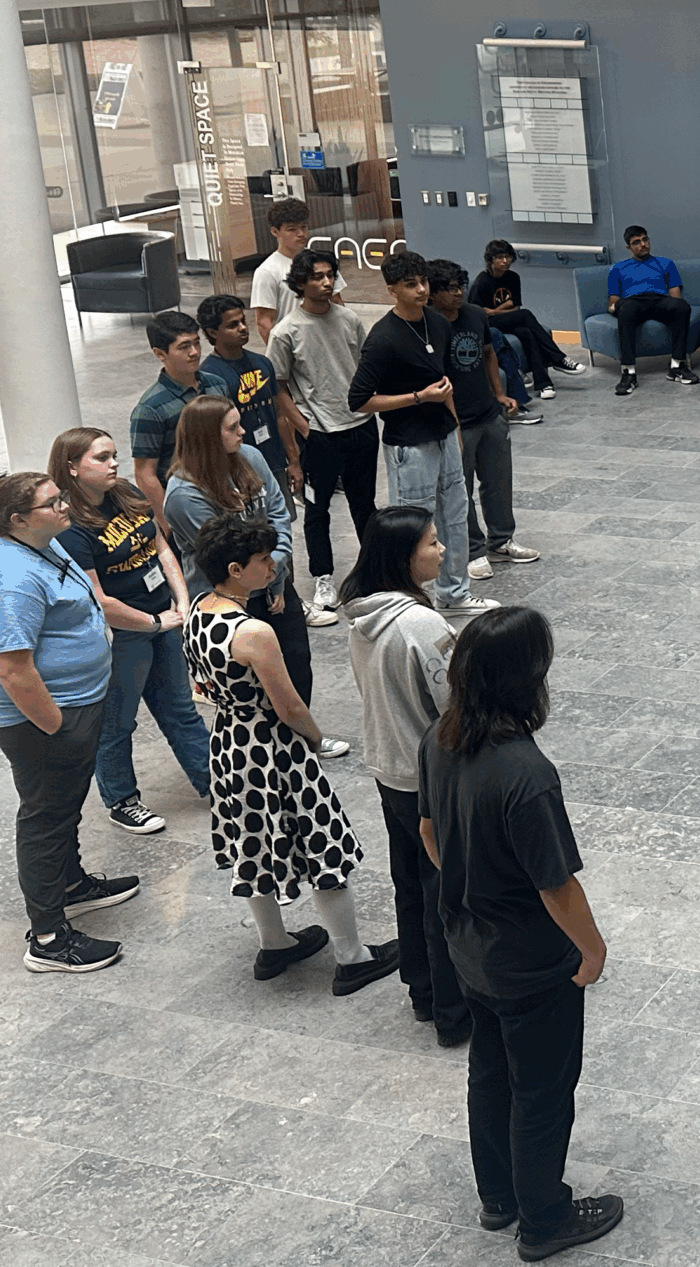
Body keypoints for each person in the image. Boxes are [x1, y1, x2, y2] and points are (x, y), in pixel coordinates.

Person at [418, 608, 623, 1260]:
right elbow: (556, 887)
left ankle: (499, 1196)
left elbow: (428, 834)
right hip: (531, 964)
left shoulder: (437, 740)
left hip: (468, 949)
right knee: (541, 1091)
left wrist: (472, 882)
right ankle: (544, 1220)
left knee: (489, 1070)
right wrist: (592, 951)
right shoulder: (527, 777)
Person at [184, 510, 400, 992]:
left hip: (229, 743)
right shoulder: (253, 633)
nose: (272, 567)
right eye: (263, 560)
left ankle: (274, 942)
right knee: (319, 840)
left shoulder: (199, 611)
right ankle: (352, 955)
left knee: (251, 843)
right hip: (273, 747)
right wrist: (318, 738)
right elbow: (289, 705)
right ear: (236, 569)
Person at [0, 471, 137, 974]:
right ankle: (49, 937)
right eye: (52, 503)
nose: (64, 508)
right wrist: (56, 725)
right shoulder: (7, 580)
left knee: (62, 805)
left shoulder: (41, 545)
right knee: (45, 817)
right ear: (17, 519)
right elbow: (13, 669)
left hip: (74, 704)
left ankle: (71, 884)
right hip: (43, 719)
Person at [341, 505, 472, 1045]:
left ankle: (421, 989)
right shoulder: (421, 623)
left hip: (389, 768)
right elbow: (456, 702)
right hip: (432, 777)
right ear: (403, 556)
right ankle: (453, 1009)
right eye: (432, 543)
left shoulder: (362, 617)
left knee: (410, 885)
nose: (441, 551)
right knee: (448, 891)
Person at [163, 395, 354, 757]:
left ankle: (300, 738)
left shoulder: (249, 457)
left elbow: (279, 513)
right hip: (231, 600)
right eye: (232, 428)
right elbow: (228, 555)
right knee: (251, 681)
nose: (243, 431)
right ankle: (272, 748)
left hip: (272, 582)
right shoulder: (184, 495)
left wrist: (276, 572)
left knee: (295, 659)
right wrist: (272, 574)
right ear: (206, 437)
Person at [49, 426, 210, 835]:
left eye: (114, 454)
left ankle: (217, 785)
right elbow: (98, 600)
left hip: (164, 619)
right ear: (72, 467)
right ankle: (122, 800)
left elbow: (160, 548)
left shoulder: (124, 495)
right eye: (101, 458)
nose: (113, 463)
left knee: (180, 709)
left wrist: (181, 599)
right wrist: (154, 622)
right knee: (117, 723)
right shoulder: (71, 528)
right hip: (124, 634)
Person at [349, 248, 484, 619]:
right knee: (415, 526)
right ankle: (411, 598)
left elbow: (444, 382)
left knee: (456, 514)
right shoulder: (383, 338)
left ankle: (454, 594)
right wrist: (417, 398)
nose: (421, 290)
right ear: (392, 290)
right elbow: (359, 400)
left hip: (442, 434)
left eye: (423, 282)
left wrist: (454, 424)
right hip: (409, 444)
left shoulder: (437, 323)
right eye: (411, 285)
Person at [267, 247, 377, 624]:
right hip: (321, 435)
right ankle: (323, 578)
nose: (326, 282)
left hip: (361, 427)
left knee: (366, 506)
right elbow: (277, 386)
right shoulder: (286, 331)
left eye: (330, 274)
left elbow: (364, 367)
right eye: (317, 276)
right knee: (318, 510)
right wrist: (303, 426)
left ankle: (373, 573)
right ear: (301, 282)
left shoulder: (348, 319)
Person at [430, 260, 540, 584]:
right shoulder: (428, 324)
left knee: (499, 481)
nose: (457, 293)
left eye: (460, 286)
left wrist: (499, 393)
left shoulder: (475, 314)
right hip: (455, 423)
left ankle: (501, 540)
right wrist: (451, 424)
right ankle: (473, 551)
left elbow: (489, 353)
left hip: (488, 413)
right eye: (449, 288)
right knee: (459, 491)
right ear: (434, 293)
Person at [198, 293, 297, 511]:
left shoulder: (262, 363)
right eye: (233, 325)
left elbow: (279, 414)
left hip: (274, 460)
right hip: (239, 469)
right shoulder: (209, 376)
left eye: (243, 321)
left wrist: (293, 459)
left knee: (281, 521)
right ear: (213, 332)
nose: (243, 328)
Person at [470, 241, 585, 400]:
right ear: (490, 260)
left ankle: (544, 384)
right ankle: (558, 358)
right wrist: (500, 310)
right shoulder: (481, 282)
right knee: (526, 315)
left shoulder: (512, 277)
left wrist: (495, 311)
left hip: (505, 319)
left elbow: (515, 308)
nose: (505, 261)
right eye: (500, 257)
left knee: (527, 333)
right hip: (489, 325)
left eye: (508, 257)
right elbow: (479, 315)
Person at [604, 224, 697, 396]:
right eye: (637, 242)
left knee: (682, 307)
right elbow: (614, 300)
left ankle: (677, 366)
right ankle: (628, 372)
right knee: (627, 310)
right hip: (633, 302)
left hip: (659, 300)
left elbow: (675, 296)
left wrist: (676, 308)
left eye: (645, 240)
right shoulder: (618, 268)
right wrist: (616, 308)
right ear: (629, 247)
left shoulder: (665, 263)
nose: (643, 244)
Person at [130, 308, 205, 513]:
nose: (195, 352)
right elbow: (146, 473)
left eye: (197, 342)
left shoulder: (217, 385)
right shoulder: (150, 409)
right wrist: (167, 520)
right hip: (186, 503)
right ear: (160, 354)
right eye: (184, 347)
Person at [251, 196, 341, 347]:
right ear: (275, 231)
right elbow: (264, 322)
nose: (301, 234)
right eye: (292, 229)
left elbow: (337, 302)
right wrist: (282, 355)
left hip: (327, 341)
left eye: (304, 227)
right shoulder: (267, 271)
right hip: (295, 345)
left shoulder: (321, 261)